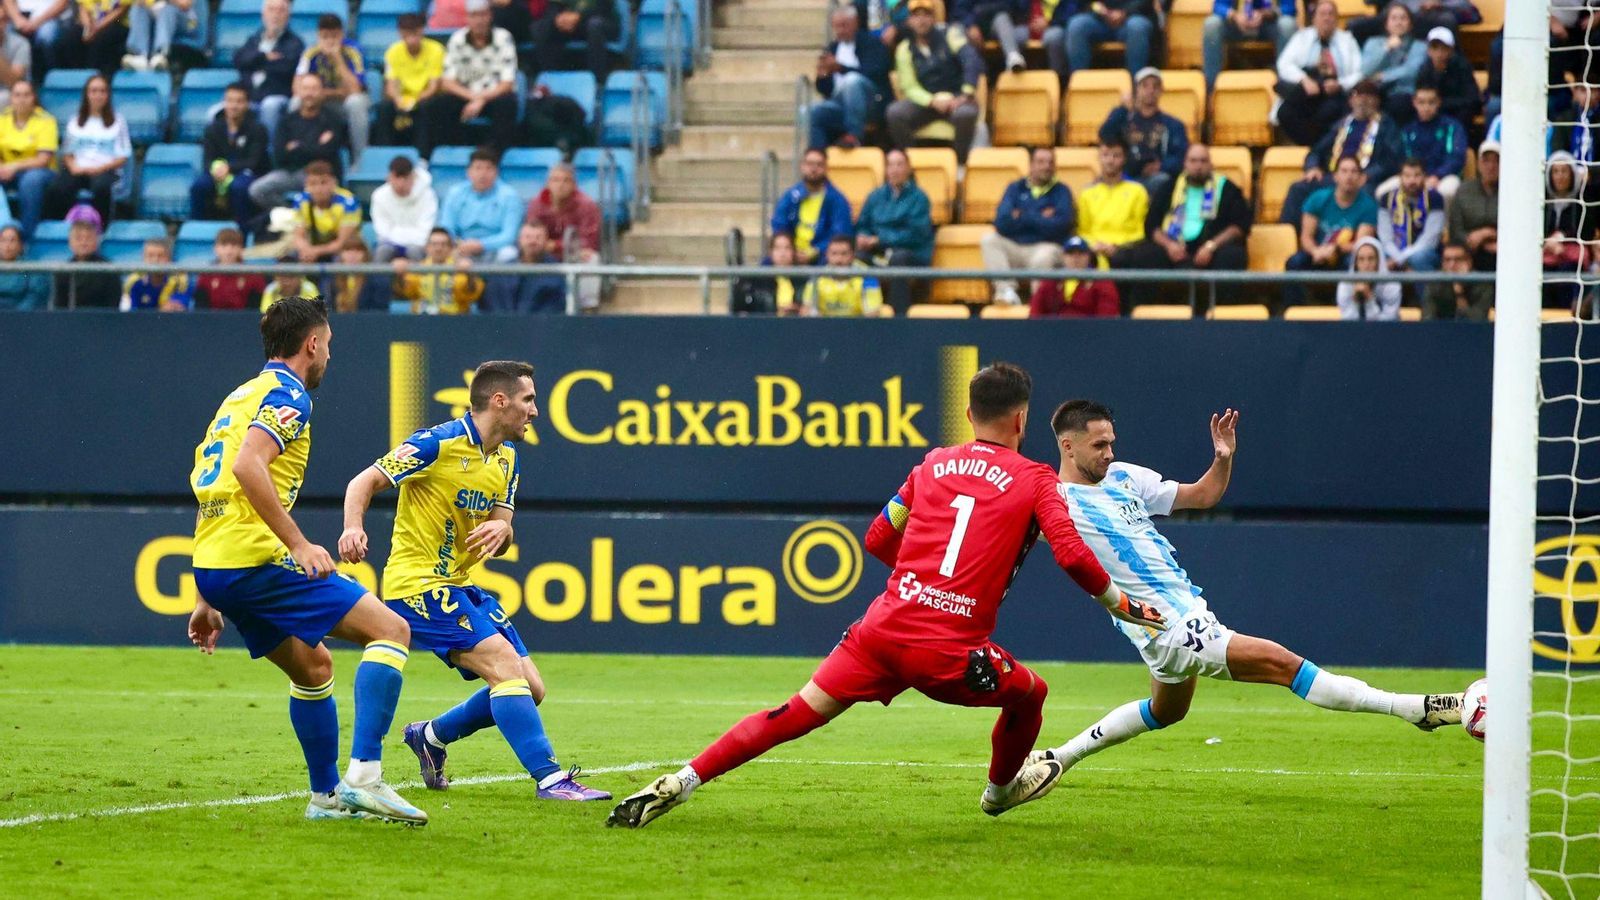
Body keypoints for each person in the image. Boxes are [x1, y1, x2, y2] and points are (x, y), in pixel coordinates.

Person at [606, 363, 1164, 829]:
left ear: (969, 415)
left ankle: (683, 780)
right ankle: (999, 793)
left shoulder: (931, 465)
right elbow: (1069, 553)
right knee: (1031, 694)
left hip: (881, 631)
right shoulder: (1038, 478)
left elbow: (878, 537)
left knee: (793, 712)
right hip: (949, 651)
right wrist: (1124, 604)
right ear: (1021, 418)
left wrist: (922, 584)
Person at [1030, 402, 1463, 779]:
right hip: (1168, 624)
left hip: (1181, 613)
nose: (1110, 453)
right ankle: (1414, 708)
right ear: (1068, 446)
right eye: (1099, 446)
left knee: (1166, 711)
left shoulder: (1125, 477)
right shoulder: (1052, 499)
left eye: (1111, 442)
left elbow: (1202, 496)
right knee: (1285, 665)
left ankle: (1059, 757)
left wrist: (1223, 458)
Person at [186, 296, 427, 825]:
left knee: (315, 667)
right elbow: (250, 467)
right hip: (257, 562)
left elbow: (216, 487)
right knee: (391, 630)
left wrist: (206, 593)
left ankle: (325, 798)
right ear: (312, 343)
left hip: (219, 564)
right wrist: (298, 543)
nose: (328, 358)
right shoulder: (288, 393)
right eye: (329, 346)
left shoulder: (240, 396)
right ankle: (365, 778)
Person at [339, 361, 609, 801]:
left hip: (460, 585)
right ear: (499, 401)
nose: (535, 412)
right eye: (529, 400)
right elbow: (362, 482)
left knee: (531, 688)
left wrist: (504, 531)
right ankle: (551, 779)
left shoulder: (507, 459)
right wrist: (353, 528)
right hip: (417, 586)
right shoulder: (436, 443)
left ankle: (430, 736)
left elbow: (500, 532)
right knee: (504, 665)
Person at [1110, 143, 1251, 310]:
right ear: (1185, 164)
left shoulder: (1226, 188)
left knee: (1233, 256)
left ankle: (1223, 316)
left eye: (1203, 161)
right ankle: (1144, 314)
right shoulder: (1170, 187)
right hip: (1174, 247)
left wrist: (1211, 246)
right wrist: (1169, 245)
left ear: (1211, 164)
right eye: (1193, 161)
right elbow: (1151, 225)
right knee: (1143, 255)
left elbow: (1239, 226)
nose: (1198, 166)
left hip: (1211, 249)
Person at [1280, 81, 1399, 224]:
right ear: (1351, 101)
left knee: (1368, 194)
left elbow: (1392, 159)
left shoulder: (1386, 126)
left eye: (1368, 97)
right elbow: (1316, 151)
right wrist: (1313, 167)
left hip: (1364, 179)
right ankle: (1290, 236)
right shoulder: (1341, 125)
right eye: (1358, 96)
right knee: (1298, 188)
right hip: (1334, 176)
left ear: (1377, 101)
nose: (1363, 101)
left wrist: (1368, 174)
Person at [887, 0, 982, 164]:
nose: (921, 20)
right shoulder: (904, 48)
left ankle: (960, 164)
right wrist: (931, 101)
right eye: (916, 16)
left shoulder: (950, 34)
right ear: (909, 21)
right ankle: (911, 163)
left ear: (934, 18)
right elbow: (909, 87)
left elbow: (971, 60)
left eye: (926, 15)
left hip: (956, 99)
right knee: (894, 113)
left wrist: (966, 93)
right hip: (926, 103)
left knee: (966, 114)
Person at [980, 145, 1073, 305]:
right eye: (1041, 162)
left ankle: (1038, 302)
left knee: (1045, 255)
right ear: (1031, 165)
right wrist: (1040, 216)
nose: (1047, 166)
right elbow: (1002, 223)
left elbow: (1060, 227)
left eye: (1051, 162)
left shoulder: (1062, 191)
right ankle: (1006, 292)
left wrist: (1022, 215)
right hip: (1016, 247)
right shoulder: (1015, 188)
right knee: (989, 240)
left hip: (1045, 247)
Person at [423, 0, 517, 157]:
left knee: (507, 104)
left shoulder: (504, 38)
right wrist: (474, 98)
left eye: (482, 14)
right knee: (433, 106)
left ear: (490, 16)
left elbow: (507, 83)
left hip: (494, 96)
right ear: (467, 18)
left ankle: (495, 156)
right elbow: (447, 82)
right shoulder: (457, 39)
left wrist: (482, 99)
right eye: (474, 15)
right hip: (466, 95)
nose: (479, 20)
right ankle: (438, 156)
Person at [1285, 155, 1378, 309]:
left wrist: (1335, 249)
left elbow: (1362, 244)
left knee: (1354, 263)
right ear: (1335, 176)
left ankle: (1348, 310)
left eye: (1354, 172)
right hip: (1317, 253)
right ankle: (1295, 311)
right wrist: (1315, 251)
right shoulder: (1317, 199)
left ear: (1361, 179)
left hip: (1345, 254)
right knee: (1294, 262)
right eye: (1344, 171)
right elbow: (1306, 237)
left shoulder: (1368, 206)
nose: (1349, 176)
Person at [249, 74, 350, 214]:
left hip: (321, 176)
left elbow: (328, 153)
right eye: (306, 89)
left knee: (321, 188)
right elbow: (280, 156)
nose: (310, 94)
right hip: (290, 172)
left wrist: (297, 147)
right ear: (298, 92)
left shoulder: (333, 120)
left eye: (314, 89)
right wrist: (315, 146)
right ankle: (293, 215)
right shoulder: (287, 121)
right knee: (258, 190)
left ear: (322, 92)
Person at [855, 147, 933, 313]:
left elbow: (916, 234)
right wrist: (863, 237)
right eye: (890, 165)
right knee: (857, 258)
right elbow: (863, 224)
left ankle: (898, 316)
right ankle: (863, 312)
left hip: (911, 254)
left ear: (908, 168)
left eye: (899, 164)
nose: (895, 169)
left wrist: (880, 239)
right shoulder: (875, 196)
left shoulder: (919, 198)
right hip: (877, 252)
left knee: (899, 259)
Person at [43, 72, 128, 224]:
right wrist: (73, 167)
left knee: (101, 189)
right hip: (79, 170)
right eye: (94, 91)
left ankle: (101, 229)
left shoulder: (118, 121)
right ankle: (59, 228)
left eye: (102, 91)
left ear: (108, 95)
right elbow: (67, 154)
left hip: (105, 170)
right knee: (57, 188)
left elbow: (122, 157)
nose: (98, 95)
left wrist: (100, 168)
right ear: (86, 94)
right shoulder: (75, 121)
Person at [1275, 0, 1363, 146]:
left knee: (1331, 112)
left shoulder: (1347, 40)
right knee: (1285, 112)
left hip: (1335, 91)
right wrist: (1304, 79)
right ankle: (1312, 146)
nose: (1326, 18)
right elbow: (1284, 64)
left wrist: (1340, 84)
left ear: (1336, 19)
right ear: (1314, 18)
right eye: (1322, 14)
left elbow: (1359, 72)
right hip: (1307, 89)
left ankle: (1319, 149)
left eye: (1331, 14)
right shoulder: (1301, 37)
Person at [810, 5, 892, 151]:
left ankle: (855, 136)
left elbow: (874, 73)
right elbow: (825, 90)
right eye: (837, 27)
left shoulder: (872, 43)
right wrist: (823, 74)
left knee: (852, 80)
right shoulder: (833, 48)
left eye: (844, 26)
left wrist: (841, 68)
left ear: (855, 23)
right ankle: (818, 156)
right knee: (816, 111)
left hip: (871, 102)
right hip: (841, 104)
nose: (840, 31)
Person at [191, 82, 271, 229]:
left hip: (248, 173)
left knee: (239, 187)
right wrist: (215, 169)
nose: (234, 106)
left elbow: (254, 161)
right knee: (199, 186)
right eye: (230, 101)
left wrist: (229, 168)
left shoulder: (258, 129)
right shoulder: (213, 129)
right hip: (219, 173)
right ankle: (198, 229)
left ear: (247, 104)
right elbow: (208, 160)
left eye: (239, 101)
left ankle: (243, 231)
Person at [1099, 67, 1187, 200]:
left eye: (1155, 86)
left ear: (1161, 91)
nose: (1150, 90)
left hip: (1155, 178)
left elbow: (1182, 158)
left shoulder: (1172, 125)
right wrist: (1122, 109)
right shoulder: (1124, 119)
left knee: (1163, 182)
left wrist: (1161, 166)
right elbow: (1105, 135)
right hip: (1124, 176)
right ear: (1137, 90)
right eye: (1145, 86)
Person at [294, 14, 368, 166]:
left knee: (356, 103)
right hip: (321, 102)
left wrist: (337, 59)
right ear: (318, 36)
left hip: (345, 103)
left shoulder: (353, 51)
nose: (329, 41)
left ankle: (360, 160)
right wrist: (323, 94)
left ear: (341, 34)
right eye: (324, 36)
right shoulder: (310, 53)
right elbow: (297, 87)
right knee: (295, 103)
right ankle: (296, 156)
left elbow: (355, 90)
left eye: (334, 36)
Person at [233, 0, 304, 140]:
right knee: (216, 111)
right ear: (263, 14)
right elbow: (239, 59)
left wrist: (254, 62)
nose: (275, 15)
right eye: (271, 10)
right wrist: (264, 56)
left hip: (278, 95)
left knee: (269, 106)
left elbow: (285, 68)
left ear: (288, 16)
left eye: (280, 10)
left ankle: (269, 155)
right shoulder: (253, 40)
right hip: (248, 96)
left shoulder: (294, 43)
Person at [1379, 85, 1464, 201]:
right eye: (1422, 102)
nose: (1426, 107)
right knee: (1382, 192)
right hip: (1412, 176)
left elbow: (1456, 158)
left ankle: (1443, 220)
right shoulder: (1408, 130)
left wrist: (1437, 175)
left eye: (1431, 102)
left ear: (1438, 102)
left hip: (1443, 177)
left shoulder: (1452, 126)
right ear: (1414, 103)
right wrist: (1412, 177)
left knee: (1447, 191)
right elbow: (1403, 158)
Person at [769, 148, 853, 266]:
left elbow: (841, 233)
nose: (814, 169)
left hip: (823, 257)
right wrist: (790, 250)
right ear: (802, 166)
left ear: (826, 168)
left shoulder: (837, 200)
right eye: (809, 164)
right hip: (791, 255)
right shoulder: (790, 196)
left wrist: (815, 251)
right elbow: (779, 226)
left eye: (819, 165)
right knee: (766, 265)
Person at [1074, 137, 1147, 270]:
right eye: (1105, 155)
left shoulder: (1138, 191)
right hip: (1094, 249)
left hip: (1125, 249)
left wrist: (1116, 246)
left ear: (1124, 159)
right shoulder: (1087, 193)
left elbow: (1140, 231)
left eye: (1116, 155)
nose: (1110, 160)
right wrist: (1094, 245)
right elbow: (1083, 230)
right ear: (1099, 158)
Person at [440, 147, 522, 263]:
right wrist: (460, 244)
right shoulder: (455, 193)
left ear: (497, 172)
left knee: (508, 253)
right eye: (478, 168)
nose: (483, 174)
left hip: (495, 248)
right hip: (462, 246)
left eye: (489, 169)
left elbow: (509, 235)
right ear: (468, 172)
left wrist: (482, 245)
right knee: (441, 248)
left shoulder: (509, 196)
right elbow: (447, 227)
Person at [375, 14, 444, 150]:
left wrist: (415, 100)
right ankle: (386, 152)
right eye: (407, 32)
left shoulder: (436, 49)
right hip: (402, 98)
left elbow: (433, 87)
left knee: (426, 108)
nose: (411, 37)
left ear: (422, 31)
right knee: (384, 108)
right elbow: (391, 85)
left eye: (415, 32)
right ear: (400, 33)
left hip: (425, 97)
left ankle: (423, 155)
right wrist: (398, 99)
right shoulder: (393, 51)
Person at [0, 79, 56, 236]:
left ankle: (25, 238)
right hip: (7, 170)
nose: (22, 99)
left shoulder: (46, 120)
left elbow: (43, 159)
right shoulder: (2, 119)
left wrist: (13, 167)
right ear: (11, 98)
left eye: (26, 95)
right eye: (17, 95)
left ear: (34, 98)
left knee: (30, 182)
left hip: (40, 171)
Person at [1202, 0, 1296, 92]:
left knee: (1287, 25)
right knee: (1211, 25)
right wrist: (1235, 15)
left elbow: (1289, 8)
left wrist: (1266, 13)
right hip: (1236, 25)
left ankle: (1287, 90)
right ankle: (1211, 91)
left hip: (1268, 25)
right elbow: (1218, 6)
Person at [1377, 157, 1443, 279]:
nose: (1412, 181)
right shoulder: (1386, 199)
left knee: (1419, 258)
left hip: (1424, 251)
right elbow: (1385, 238)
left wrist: (1402, 258)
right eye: (1407, 176)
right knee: (1376, 257)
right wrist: (1398, 257)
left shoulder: (1435, 199)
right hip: (1393, 251)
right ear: (1400, 177)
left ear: (1424, 176)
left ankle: (1426, 297)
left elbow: (1430, 239)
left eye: (1417, 175)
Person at [393, 227, 484, 314]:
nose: (438, 248)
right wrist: (401, 275)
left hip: (455, 319)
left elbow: (471, 294)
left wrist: (469, 275)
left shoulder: (461, 268)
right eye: (434, 244)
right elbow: (407, 291)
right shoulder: (417, 269)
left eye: (443, 244)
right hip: (422, 319)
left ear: (451, 248)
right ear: (426, 247)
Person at [1358, 2, 1425, 120]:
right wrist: (1386, 49)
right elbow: (1366, 70)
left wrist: (1383, 76)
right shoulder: (1373, 43)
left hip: (1403, 92)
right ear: (1386, 24)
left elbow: (1411, 71)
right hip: (1376, 91)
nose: (1398, 22)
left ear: (1410, 24)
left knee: (1397, 104)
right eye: (1394, 18)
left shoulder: (1420, 46)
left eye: (1403, 18)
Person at [1544, 151, 1593, 311]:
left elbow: (1586, 232)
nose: (1560, 176)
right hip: (1546, 255)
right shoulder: (1543, 202)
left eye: (1564, 171)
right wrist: (1550, 244)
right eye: (1556, 172)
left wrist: (1562, 239)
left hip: (1571, 258)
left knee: (1568, 272)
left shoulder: (1581, 203)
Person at [531, 0, 620, 85]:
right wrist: (558, 18)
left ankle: (597, 81)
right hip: (574, 23)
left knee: (594, 25)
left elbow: (603, 9)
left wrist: (579, 16)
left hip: (603, 21)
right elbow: (553, 7)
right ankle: (549, 79)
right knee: (541, 27)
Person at [485, 222, 566, 314]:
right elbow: (494, 304)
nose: (533, 241)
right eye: (528, 237)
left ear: (546, 241)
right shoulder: (504, 271)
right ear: (519, 240)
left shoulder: (555, 272)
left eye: (538, 237)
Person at [1059, 0, 1155, 77]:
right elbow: (1087, 3)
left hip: (1132, 17)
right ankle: (1079, 84)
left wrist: (1125, 12)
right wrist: (1097, 8)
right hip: (1101, 21)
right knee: (1077, 25)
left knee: (1137, 27)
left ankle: (1137, 89)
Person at [290, 161, 361, 264]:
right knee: (290, 258)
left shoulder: (349, 202)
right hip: (313, 247)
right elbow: (298, 236)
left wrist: (315, 251)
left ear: (334, 182)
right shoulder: (301, 200)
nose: (319, 189)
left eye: (324, 182)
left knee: (340, 259)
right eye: (313, 183)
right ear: (306, 185)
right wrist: (306, 250)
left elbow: (341, 243)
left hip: (342, 250)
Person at [1029, 236, 1118, 318]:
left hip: (1089, 332)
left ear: (1089, 257)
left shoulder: (1101, 282)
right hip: (1054, 332)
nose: (1076, 258)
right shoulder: (1052, 281)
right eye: (1070, 253)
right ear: (1063, 257)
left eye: (1081, 253)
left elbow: (1107, 318)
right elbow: (1035, 312)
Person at [370, 155, 437, 262]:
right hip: (389, 244)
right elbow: (383, 231)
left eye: (405, 178)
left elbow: (426, 231)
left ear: (413, 177)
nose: (401, 184)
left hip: (418, 245)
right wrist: (408, 236)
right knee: (383, 251)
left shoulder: (428, 195)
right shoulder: (379, 196)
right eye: (397, 177)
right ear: (389, 177)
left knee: (414, 251)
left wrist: (397, 233)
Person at [801, 234, 885, 317]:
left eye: (844, 254)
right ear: (827, 255)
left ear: (853, 255)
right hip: (825, 325)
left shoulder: (867, 276)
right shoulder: (817, 277)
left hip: (857, 325)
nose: (839, 260)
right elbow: (806, 308)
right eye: (834, 254)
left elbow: (872, 312)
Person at [1412, 27, 1479, 127]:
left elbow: (1472, 98)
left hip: (1457, 111)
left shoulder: (1462, 67)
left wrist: (1442, 103)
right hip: (1433, 109)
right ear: (1429, 50)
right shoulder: (1424, 70)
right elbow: (1420, 94)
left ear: (1451, 50)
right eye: (1435, 48)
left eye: (1444, 48)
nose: (1439, 53)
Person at [1447, 139, 1497, 273]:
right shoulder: (1464, 191)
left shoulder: (1511, 193)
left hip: (1504, 253)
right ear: (1479, 164)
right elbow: (1455, 230)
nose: (1491, 166)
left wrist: (1489, 234)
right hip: (1469, 252)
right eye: (1486, 161)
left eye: (1496, 161)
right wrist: (1475, 240)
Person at [731, 231, 806, 315]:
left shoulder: (804, 281)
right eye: (777, 248)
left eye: (787, 248)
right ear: (771, 253)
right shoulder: (757, 282)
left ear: (793, 252)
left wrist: (798, 310)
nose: (782, 253)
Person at [193, 227, 267, 311]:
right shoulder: (206, 275)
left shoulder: (253, 276)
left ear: (241, 249)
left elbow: (254, 311)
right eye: (224, 245)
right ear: (216, 248)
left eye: (234, 245)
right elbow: (201, 309)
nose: (229, 251)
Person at [54, 217, 118, 308]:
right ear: (70, 242)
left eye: (88, 238)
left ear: (96, 241)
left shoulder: (109, 269)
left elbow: (113, 305)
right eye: (79, 238)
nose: (83, 243)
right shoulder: (63, 271)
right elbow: (59, 306)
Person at [1420, 240, 1491, 321]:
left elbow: (1478, 320)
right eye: (1447, 260)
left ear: (1469, 262)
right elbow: (1427, 318)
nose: (1452, 265)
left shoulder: (1482, 283)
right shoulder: (1435, 283)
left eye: (1458, 259)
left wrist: (1459, 295)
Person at [122, 0, 199, 72]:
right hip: (158, 18)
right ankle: (140, 56)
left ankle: (160, 54)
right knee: (138, 8)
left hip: (187, 22)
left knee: (167, 10)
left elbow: (184, 3)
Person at [1335, 236, 1401, 320]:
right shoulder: (1346, 284)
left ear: (1379, 261)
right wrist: (1355, 302)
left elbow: (1387, 325)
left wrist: (1369, 301)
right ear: (1355, 263)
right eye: (1361, 259)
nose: (1366, 265)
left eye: (1371, 259)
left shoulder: (1392, 284)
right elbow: (1347, 321)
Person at [954, 0, 1029, 74]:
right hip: (975, 26)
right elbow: (960, 10)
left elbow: (1021, 7)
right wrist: (970, 25)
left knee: (1006, 22)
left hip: (1004, 27)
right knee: (957, 33)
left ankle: (1013, 58)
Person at [119, 238, 191, 311]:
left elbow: (179, 307)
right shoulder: (135, 282)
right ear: (144, 258)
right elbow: (131, 312)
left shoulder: (180, 282)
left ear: (169, 259)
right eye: (150, 256)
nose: (155, 260)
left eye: (161, 256)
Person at [63, 0, 130, 76]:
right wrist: (87, 28)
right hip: (92, 23)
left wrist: (97, 28)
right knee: (72, 36)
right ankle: (76, 76)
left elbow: (121, 9)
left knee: (103, 38)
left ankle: (94, 77)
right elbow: (83, 7)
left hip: (117, 23)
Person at [328, 235, 390, 313]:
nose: (353, 255)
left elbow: (379, 310)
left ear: (365, 254)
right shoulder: (331, 277)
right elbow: (328, 307)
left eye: (358, 251)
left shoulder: (377, 279)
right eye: (348, 250)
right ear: (341, 254)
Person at [5, 1, 64, 80]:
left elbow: (62, 3)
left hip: (49, 18)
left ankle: (53, 80)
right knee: (7, 36)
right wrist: (17, 18)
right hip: (18, 18)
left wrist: (36, 22)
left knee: (47, 36)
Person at [0, 222, 46, 308]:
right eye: (3, 240)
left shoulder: (30, 268)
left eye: (12, 240)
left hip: (21, 317)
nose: (7, 245)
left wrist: (16, 315)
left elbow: (35, 295)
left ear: (20, 245)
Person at [0, 15, 32, 110]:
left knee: (3, 98)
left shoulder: (20, 44)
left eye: (2, 20)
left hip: (8, 91)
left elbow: (14, 83)